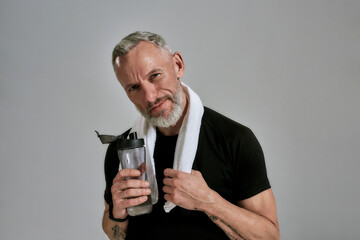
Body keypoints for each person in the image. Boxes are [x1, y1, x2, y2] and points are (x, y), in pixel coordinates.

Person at [101, 31, 280, 240]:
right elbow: (115, 233)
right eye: (134, 87)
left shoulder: (235, 140)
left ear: (178, 65)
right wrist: (117, 212)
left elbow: (270, 237)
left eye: (154, 76)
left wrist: (208, 201)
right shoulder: (123, 151)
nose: (150, 96)